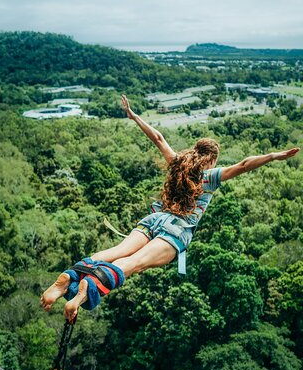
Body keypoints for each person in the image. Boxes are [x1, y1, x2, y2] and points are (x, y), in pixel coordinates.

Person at [41, 95, 300, 322]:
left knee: (114, 252)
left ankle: (67, 280)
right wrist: (274, 156)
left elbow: (158, 137)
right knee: (133, 264)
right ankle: (87, 288)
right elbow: (244, 164)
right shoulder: (210, 177)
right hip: (175, 232)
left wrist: (133, 116)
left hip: (153, 220)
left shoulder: (177, 163)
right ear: (212, 159)